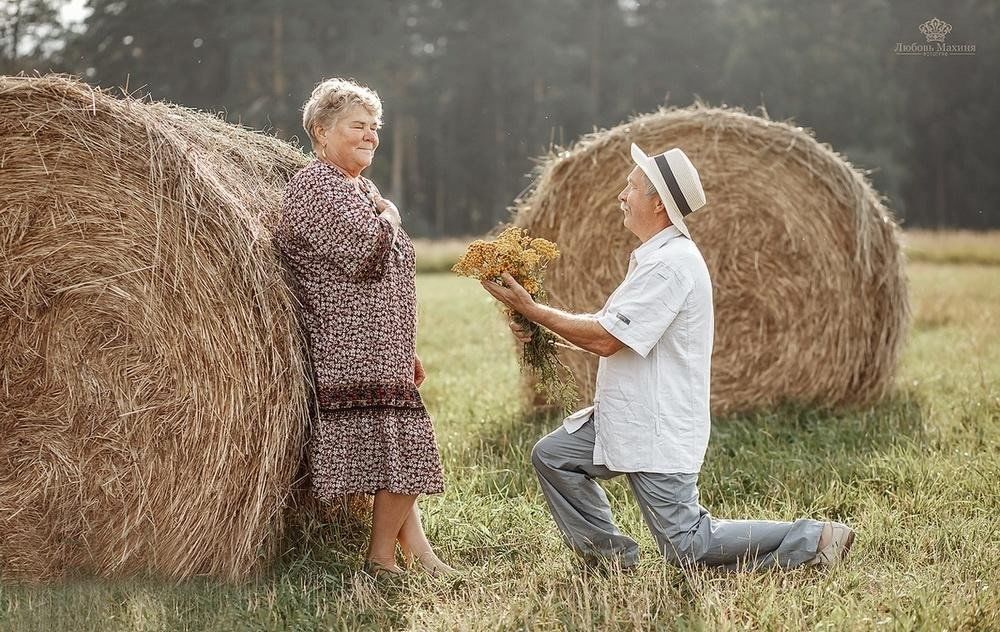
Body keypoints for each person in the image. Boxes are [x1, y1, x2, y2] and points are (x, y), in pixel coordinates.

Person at [482, 143, 854, 571]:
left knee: (688, 546)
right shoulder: (655, 260)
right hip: (627, 416)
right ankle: (611, 560)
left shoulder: (670, 266)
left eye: (631, 187)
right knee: (554, 456)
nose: (621, 195)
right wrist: (541, 333)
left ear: (658, 203)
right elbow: (622, 334)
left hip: (657, 425)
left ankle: (816, 538)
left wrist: (533, 309)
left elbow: (607, 339)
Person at [274, 77, 452, 577]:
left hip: (380, 342)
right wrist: (392, 218)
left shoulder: (358, 187)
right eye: (358, 126)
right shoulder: (315, 186)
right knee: (407, 451)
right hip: (350, 342)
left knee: (394, 452)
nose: (371, 135)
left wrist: (405, 345)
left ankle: (418, 554)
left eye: (375, 127)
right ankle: (379, 558)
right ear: (320, 131)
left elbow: (391, 270)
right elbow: (367, 256)